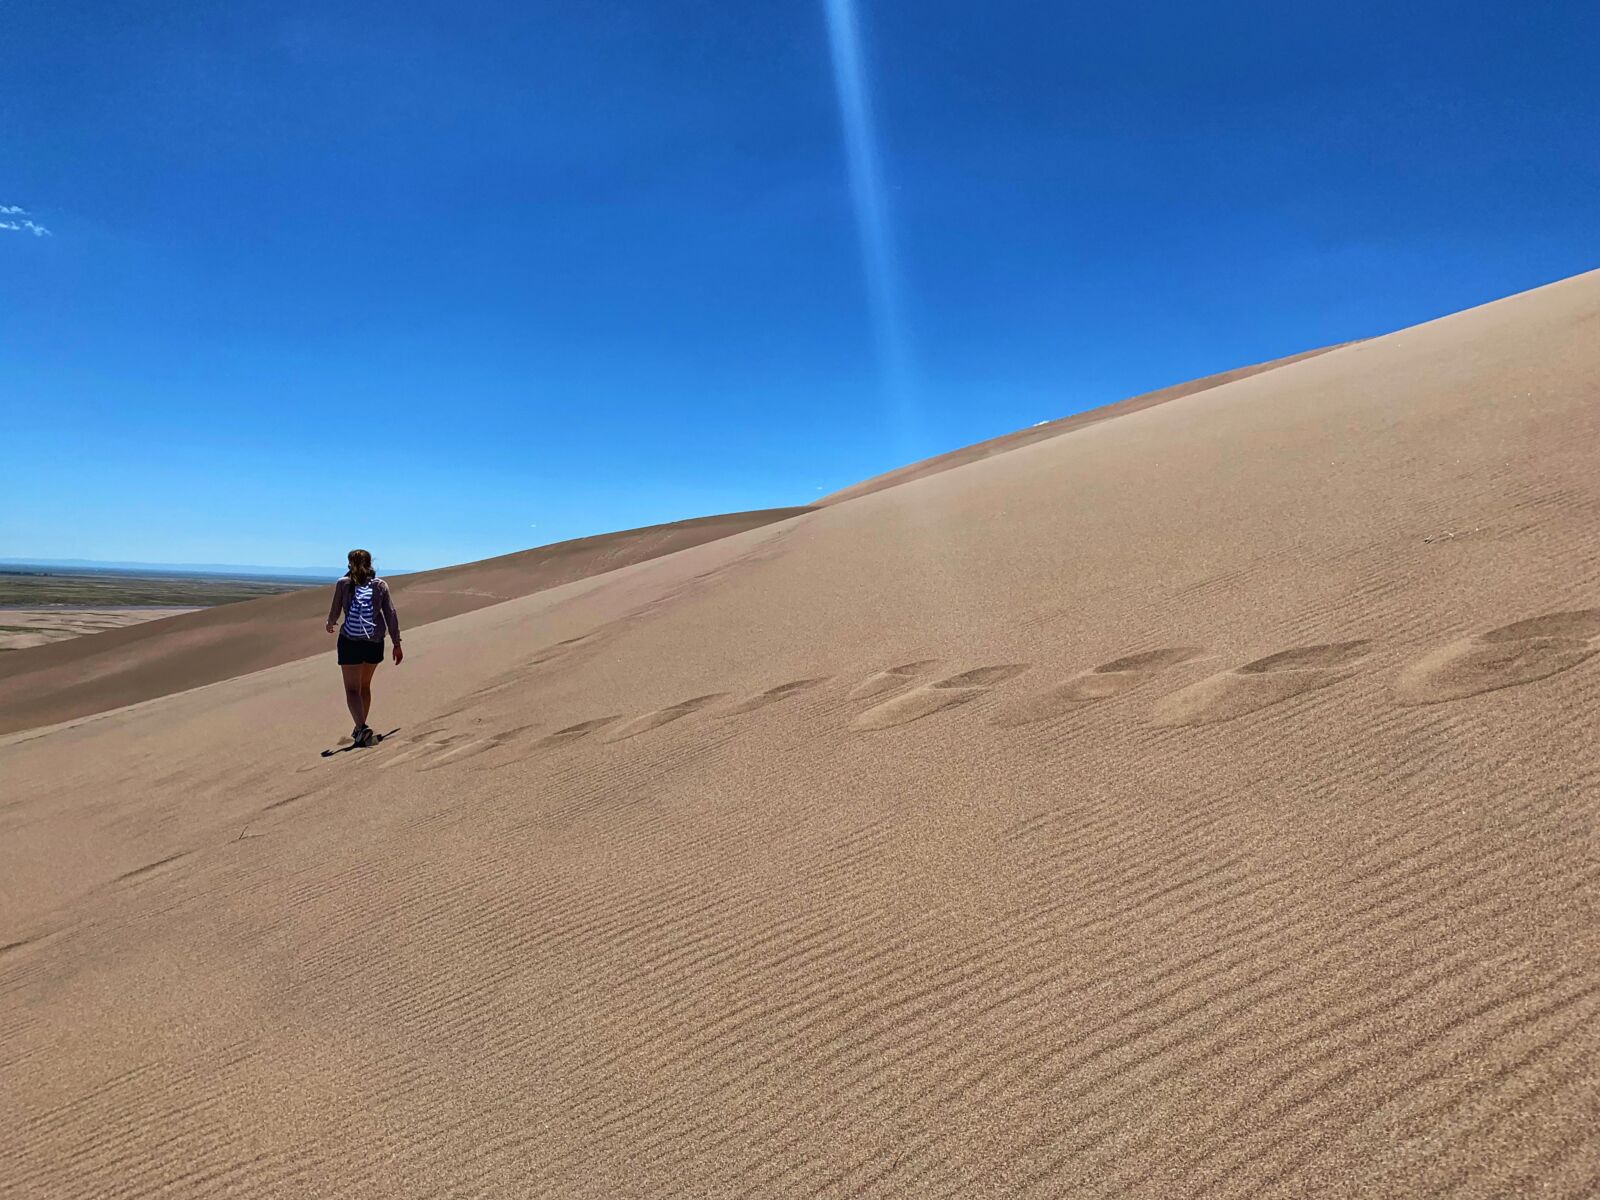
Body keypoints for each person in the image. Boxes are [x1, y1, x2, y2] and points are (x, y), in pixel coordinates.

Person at [325, 549, 403, 747]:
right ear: (371, 564)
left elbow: (334, 611)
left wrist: (331, 622)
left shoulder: (343, 583)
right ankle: (361, 727)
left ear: (349, 564)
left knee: (352, 689)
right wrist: (396, 643)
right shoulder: (380, 585)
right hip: (374, 643)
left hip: (350, 641)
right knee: (365, 686)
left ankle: (361, 728)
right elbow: (390, 614)